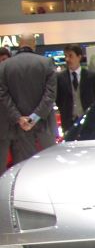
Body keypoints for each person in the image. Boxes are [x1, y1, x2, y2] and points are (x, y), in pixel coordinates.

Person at [0, 32, 58, 169]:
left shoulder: (4, 66)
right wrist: (34, 117)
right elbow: (50, 95)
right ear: (34, 45)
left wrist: (19, 118)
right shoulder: (46, 63)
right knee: (50, 168)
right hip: (45, 128)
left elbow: (3, 96)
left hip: (18, 129)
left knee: (24, 170)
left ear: (19, 44)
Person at [56, 44, 95, 136]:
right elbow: (58, 100)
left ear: (79, 57)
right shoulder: (60, 77)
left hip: (89, 122)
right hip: (68, 123)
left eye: (70, 56)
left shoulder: (91, 76)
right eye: (66, 56)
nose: (67, 59)